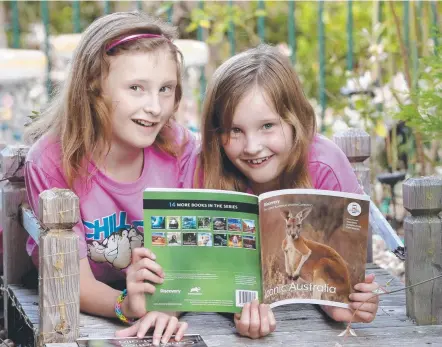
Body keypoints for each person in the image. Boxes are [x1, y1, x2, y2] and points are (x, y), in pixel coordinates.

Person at [24, 11, 195, 344]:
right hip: (91, 310)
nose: (155, 107)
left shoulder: (181, 149)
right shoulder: (52, 161)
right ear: (94, 86)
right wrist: (127, 306)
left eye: (165, 89)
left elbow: (191, 259)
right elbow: (73, 281)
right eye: (136, 88)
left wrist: (165, 309)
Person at [191, 44, 379, 339]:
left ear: (296, 121)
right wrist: (236, 308)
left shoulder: (324, 166)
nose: (252, 146)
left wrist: (344, 304)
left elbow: (343, 270)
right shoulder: (209, 168)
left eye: (267, 126)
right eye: (235, 130)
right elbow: (206, 266)